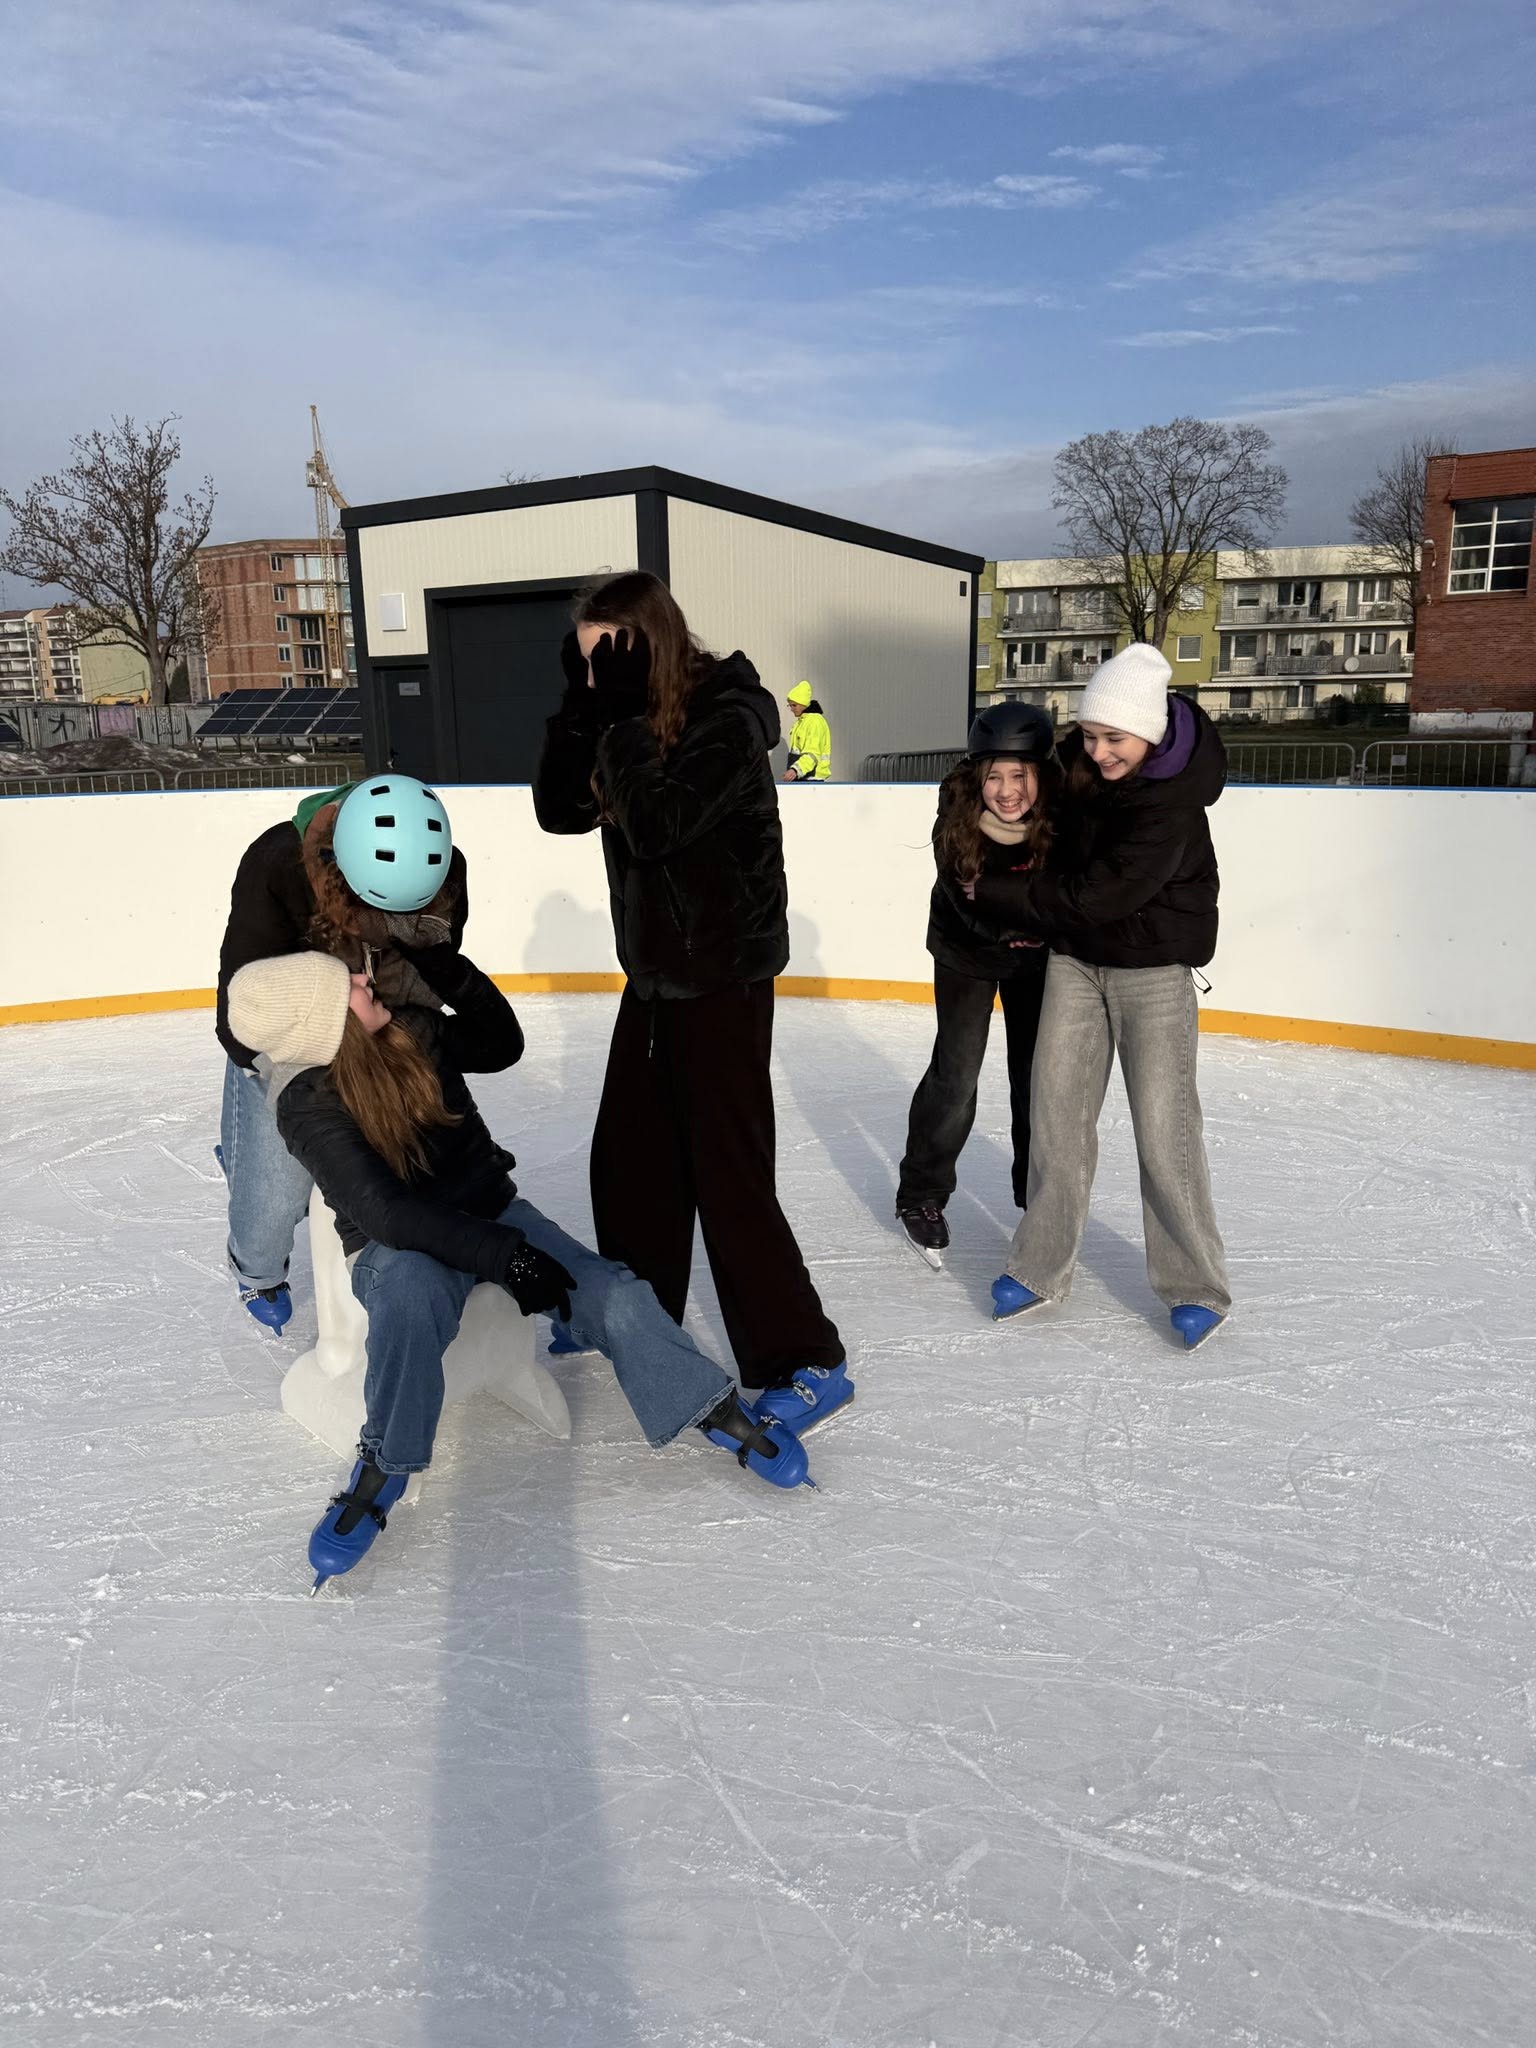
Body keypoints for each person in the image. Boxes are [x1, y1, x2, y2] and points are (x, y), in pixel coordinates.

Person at [226, 945, 813, 1589]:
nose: (366, 980)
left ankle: (708, 1404)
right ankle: (384, 1462)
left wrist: (446, 966)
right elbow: (388, 1214)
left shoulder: (409, 1029)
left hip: (490, 1209)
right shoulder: (306, 1102)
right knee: (411, 1292)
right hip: (398, 1246)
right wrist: (506, 1257)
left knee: (610, 1293)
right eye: (348, 986)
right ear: (322, 1023)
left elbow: (501, 1045)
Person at [533, 571, 852, 1437]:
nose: (599, 674)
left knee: (728, 1173)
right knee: (631, 1159)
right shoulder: (619, 714)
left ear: (655, 644)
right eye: (586, 660)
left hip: (722, 976)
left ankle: (805, 1358)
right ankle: (634, 1316)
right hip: (655, 976)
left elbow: (658, 824)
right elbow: (559, 810)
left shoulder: (727, 720)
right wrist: (581, 709)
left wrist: (618, 720)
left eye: (610, 658)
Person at [967, 644, 1232, 1350]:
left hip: (1154, 971)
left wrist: (996, 892)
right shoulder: (1079, 767)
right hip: (1077, 965)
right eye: (1089, 735)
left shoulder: (1172, 804)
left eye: (1114, 738)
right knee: (1055, 1117)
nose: (1099, 751)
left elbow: (1101, 895)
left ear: (1148, 730)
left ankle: (1195, 1284)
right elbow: (1022, 799)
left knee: (1164, 1131)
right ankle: (1038, 1266)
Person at [215, 775, 468, 1334]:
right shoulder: (278, 864)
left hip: (379, 1031)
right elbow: (242, 1018)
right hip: (292, 1041)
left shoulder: (442, 870)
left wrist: (402, 1044)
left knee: (424, 1163)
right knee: (273, 1203)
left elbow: (435, 976)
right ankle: (255, 1269)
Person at [895, 701, 1062, 1266]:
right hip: (965, 952)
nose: (1007, 791)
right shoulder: (957, 815)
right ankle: (922, 1193)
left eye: (1020, 775)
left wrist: (1038, 927)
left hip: (1036, 959)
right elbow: (959, 896)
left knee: (1036, 1079)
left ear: (1041, 774)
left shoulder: (1061, 818)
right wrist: (1015, 926)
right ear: (976, 777)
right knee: (957, 1072)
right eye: (994, 776)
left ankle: (1035, 1197)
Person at [783, 680, 831, 783]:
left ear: (803, 704)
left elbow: (812, 753)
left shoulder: (814, 722)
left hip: (811, 779)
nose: (791, 709)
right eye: (790, 705)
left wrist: (795, 770)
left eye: (794, 705)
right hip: (802, 776)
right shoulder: (801, 722)